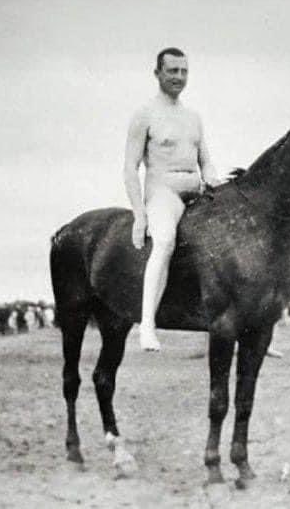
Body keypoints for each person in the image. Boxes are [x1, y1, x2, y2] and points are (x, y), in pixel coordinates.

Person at [124, 47, 222, 351]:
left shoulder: (193, 117)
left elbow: (206, 161)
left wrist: (215, 183)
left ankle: (242, 324)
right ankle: (147, 326)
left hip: (196, 191)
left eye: (184, 71)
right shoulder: (145, 114)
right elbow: (130, 168)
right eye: (172, 71)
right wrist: (140, 214)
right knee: (165, 242)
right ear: (157, 74)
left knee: (232, 238)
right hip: (163, 193)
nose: (179, 77)